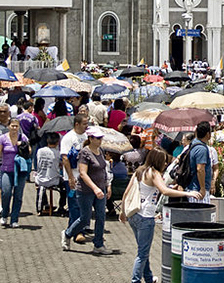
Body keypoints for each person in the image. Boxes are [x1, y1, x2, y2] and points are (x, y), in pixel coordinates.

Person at [119, 147, 199, 283]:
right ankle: (135, 280)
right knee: (142, 254)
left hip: (134, 215)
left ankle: (149, 279)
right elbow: (164, 191)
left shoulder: (140, 171)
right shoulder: (154, 173)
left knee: (143, 251)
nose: (166, 164)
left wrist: (122, 211)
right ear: (158, 160)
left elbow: (127, 192)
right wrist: (187, 193)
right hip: (146, 217)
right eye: (164, 161)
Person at [63, 127, 112, 255]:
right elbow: (83, 174)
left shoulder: (100, 151)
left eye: (101, 138)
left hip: (100, 189)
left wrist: (107, 185)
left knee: (101, 216)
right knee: (85, 218)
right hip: (85, 191)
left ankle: (99, 245)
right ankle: (68, 234)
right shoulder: (85, 153)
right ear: (91, 139)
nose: (101, 140)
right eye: (98, 138)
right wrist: (94, 188)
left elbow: (103, 170)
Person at [0, 118, 28, 228]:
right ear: (8, 126)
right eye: (12, 126)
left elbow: (29, 151)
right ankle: (4, 214)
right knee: (6, 192)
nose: (14, 128)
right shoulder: (2, 138)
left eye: (16, 126)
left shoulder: (23, 137)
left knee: (18, 196)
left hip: (20, 171)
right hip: (6, 170)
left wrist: (22, 144)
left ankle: (14, 219)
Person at [60, 115, 88, 231]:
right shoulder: (68, 138)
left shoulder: (87, 136)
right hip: (72, 176)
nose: (87, 126)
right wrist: (71, 177)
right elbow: (65, 158)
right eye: (84, 124)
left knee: (83, 204)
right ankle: (75, 231)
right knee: (74, 204)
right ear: (77, 124)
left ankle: (74, 228)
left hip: (84, 175)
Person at [35, 132, 63, 214]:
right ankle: (61, 206)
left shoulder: (40, 151)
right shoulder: (58, 153)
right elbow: (60, 165)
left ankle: (41, 205)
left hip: (40, 179)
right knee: (64, 187)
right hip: (54, 180)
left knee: (40, 187)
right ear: (58, 142)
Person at [185, 121, 212, 204]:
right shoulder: (201, 149)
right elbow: (200, 169)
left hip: (191, 188)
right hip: (197, 190)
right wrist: (202, 188)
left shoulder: (193, 144)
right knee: (202, 215)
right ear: (208, 134)